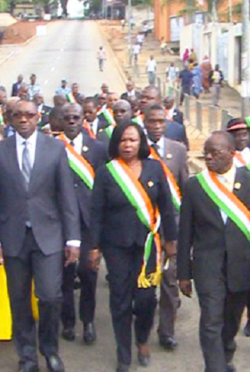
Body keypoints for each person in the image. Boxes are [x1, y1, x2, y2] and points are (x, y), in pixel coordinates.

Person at [0, 100, 80, 372]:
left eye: (29, 115)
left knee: (50, 296)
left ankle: (49, 349)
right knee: (18, 300)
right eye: (18, 115)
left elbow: (66, 195)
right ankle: (27, 356)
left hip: (49, 235)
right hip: (12, 237)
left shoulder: (55, 148)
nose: (24, 120)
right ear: (10, 119)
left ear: (39, 117)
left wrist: (73, 238)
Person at [90, 122, 177, 372]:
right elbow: (96, 213)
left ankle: (141, 339)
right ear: (116, 143)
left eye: (133, 140)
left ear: (141, 143)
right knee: (120, 300)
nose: (128, 145)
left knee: (146, 300)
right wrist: (94, 247)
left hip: (148, 246)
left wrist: (171, 240)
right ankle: (123, 352)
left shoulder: (155, 168)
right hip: (116, 246)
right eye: (123, 140)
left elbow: (167, 208)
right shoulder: (107, 172)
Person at [178, 131, 250, 372]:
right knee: (211, 319)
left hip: (242, 265)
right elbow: (185, 232)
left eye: (215, 153)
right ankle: (215, 367)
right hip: (208, 265)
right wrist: (183, 273)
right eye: (205, 153)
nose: (208, 158)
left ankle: (225, 354)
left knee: (231, 320)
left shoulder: (248, 180)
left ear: (231, 153)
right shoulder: (195, 186)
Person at [58, 103, 107, 345]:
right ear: (61, 120)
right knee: (64, 276)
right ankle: (67, 322)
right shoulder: (52, 147)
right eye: (67, 118)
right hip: (60, 223)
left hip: (89, 222)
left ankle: (88, 321)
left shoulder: (97, 149)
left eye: (76, 117)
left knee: (88, 274)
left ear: (82, 119)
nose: (72, 122)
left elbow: (104, 185)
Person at [143, 103, 189, 351]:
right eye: (153, 121)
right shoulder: (136, 149)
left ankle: (167, 331)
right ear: (145, 122)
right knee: (146, 280)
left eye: (162, 121)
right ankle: (144, 326)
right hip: (146, 227)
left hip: (172, 227)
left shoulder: (178, 150)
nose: (158, 126)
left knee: (170, 281)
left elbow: (184, 189)